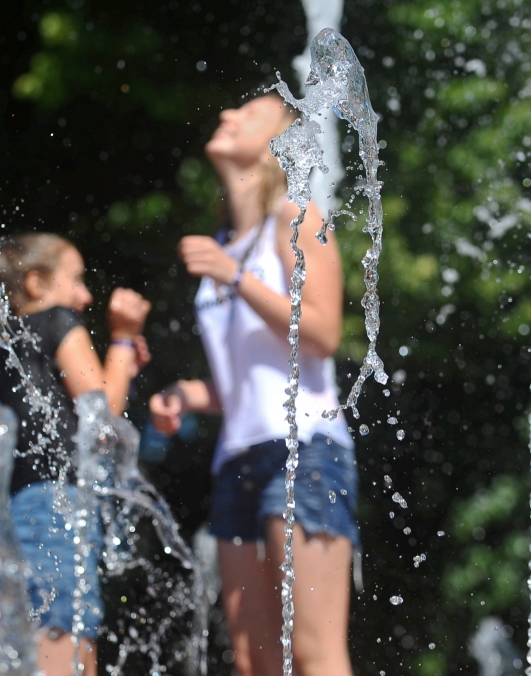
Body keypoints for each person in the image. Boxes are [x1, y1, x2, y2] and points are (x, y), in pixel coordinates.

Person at [149, 94, 357, 676]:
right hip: (236, 457)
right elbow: (249, 379)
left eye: (249, 114)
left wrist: (236, 277)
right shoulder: (224, 246)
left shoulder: (295, 219)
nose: (227, 116)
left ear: (276, 146)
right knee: (253, 661)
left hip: (305, 451)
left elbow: (322, 333)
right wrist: (190, 395)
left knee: (314, 652)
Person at [0, 233, 151, 676]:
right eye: (76, 279)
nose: (85, 295)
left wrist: (123, 365)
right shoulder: (56, 321)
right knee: (65, 640)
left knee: (42, 642)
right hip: (54, 507)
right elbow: (102, 416)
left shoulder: (1, 347)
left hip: (17, 509)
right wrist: (123, 340)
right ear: (36, 283)